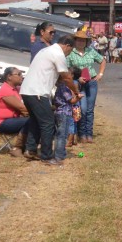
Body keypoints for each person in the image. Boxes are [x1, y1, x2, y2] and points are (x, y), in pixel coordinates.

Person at [20, 34, 79, 165]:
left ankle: (31, 149)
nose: (69, 54)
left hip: (27, 91)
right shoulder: (58, 54)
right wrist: (75, 91)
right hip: (37, 92)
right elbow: (67, 77)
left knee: (36, 120)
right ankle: (46, 156)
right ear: (67, 46)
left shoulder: (45, 50)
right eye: (70, 50)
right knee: (48, 123)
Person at [67, 26, 105, 144]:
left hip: (92, 81)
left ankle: (89, 134)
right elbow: (68, 69)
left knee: (90, 110)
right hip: (78, 84)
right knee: (82, 109)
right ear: (75, 41)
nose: (81, 42)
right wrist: (77, 78)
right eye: (78, 40)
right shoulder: (70, 53)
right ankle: (81, 133)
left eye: (83, 40)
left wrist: (100, 73)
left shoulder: (90, 51)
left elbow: (102, 60)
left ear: (86, 41)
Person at [0, 67, 29, 157]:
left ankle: (29, 148)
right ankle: (17, 148)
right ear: (9, 77)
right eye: (18, 74)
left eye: (22, 75)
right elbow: (22, 108)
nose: (21, 77)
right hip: (0, 123)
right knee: (30, 121)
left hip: (12, 120)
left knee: (33, 120)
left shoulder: (16, 89)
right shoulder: (5, 90)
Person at [52, 66, 83, 161]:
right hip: (63, 112)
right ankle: (59, 155)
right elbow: (71, 100)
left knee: (61, 134)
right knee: (62, 135)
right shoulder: (64, 86)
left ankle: (61, 152)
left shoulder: (63, 85)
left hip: (61, 112)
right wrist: (78, 98)